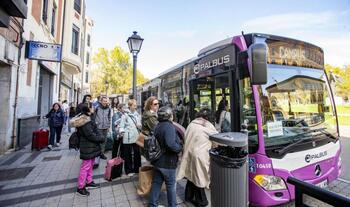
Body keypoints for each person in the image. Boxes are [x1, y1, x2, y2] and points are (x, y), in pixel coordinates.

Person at [177, 108, 218, 207]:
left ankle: (188, 196)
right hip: (200, 156)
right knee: (199, 179)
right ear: (208, 117)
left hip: (189, 153)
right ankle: (202, 202)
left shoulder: (192, 124)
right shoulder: (208, 125)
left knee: (191, 176)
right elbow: (216, 141)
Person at [149, 106, 183, 207]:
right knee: (171, 185)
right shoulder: (169, 127)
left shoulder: (157, 125)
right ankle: (173, 205)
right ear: (169, 116)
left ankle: (152, 204)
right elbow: (170, 144)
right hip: (167, 162)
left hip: (158, 161)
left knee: (156, 183)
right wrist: (179, 148)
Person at [70, 105, 104, 196]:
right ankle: (80, 188)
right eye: (91, 107)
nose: (92, 108)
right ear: (87, 110)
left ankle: (89, 182)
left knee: (90, 165)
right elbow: (90, 135)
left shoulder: (87, 118)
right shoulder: (84, 121)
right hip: (87, 146)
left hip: (90, 146)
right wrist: (100, 138)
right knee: (85, 166)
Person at [119, 99, 141, 176]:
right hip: (127, 137)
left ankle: (137, 169)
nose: (136, 107)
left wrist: (139, 125)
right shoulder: (124, 115)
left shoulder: (137, 114)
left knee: (137, 154)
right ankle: (129, 171)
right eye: (134, 105)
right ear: (130, 106)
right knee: (127, 155)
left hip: (136, 136)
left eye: (136, 105)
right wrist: (122, 132)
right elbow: (121, 126)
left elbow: (139, 123)